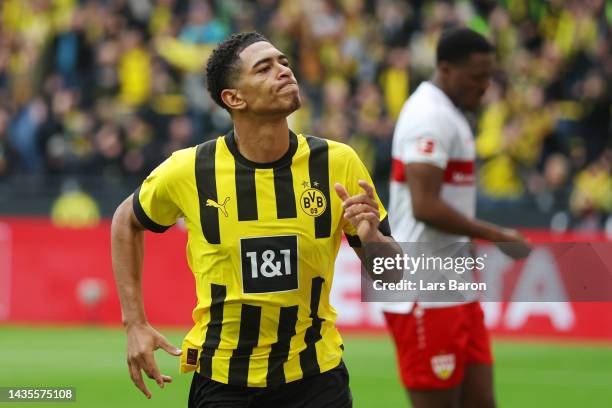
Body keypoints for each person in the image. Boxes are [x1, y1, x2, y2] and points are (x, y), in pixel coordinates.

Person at [111, 32, 396, 407]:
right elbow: (125, 221)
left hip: (317, 380)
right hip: (224, 383)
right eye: (264, 68)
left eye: (283, 63)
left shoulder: (337, 162)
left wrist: (373, 238)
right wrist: (135, 324)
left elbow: (392, 273)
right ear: (234, 98)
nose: (283, 71)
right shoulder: (190, 170)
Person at [383, 28, 531, 408]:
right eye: (476, 76)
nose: (484, 87)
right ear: (446, 69)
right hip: (424, 290)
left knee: (482, 401)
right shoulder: (427, 116)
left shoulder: (451, 114)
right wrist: (497, 235)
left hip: (456, 287)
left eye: (488, 76)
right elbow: (425, 205)